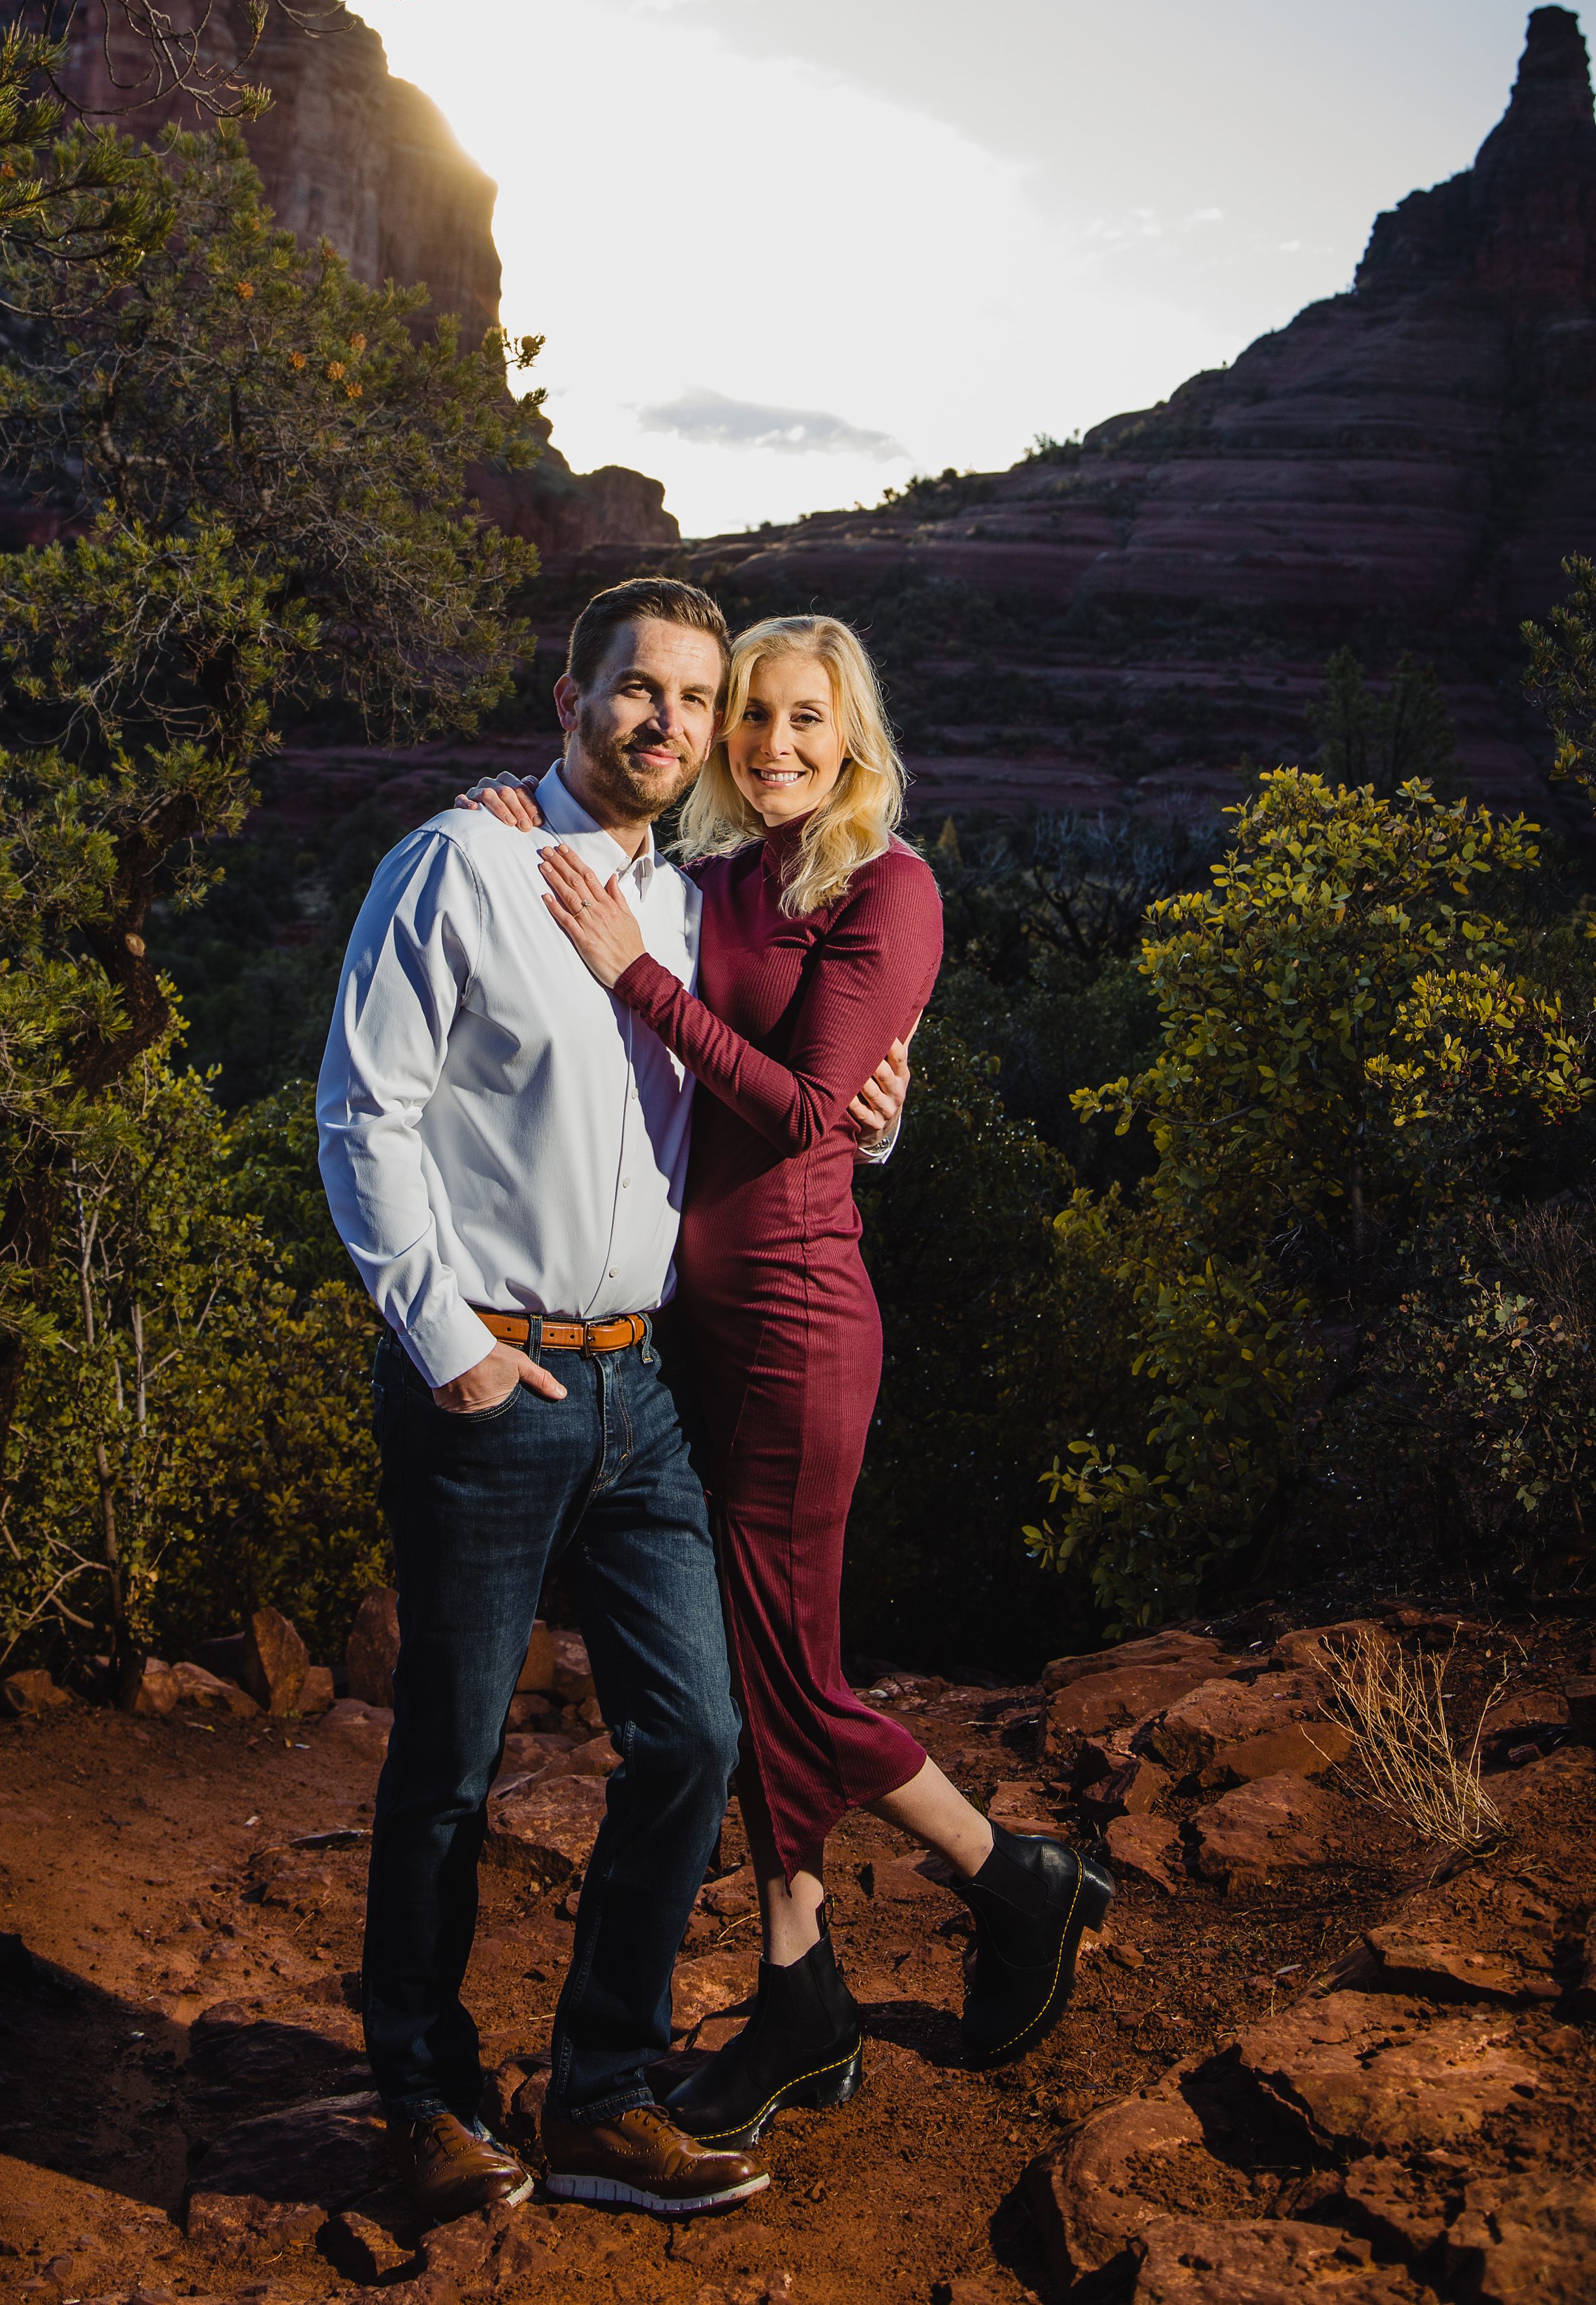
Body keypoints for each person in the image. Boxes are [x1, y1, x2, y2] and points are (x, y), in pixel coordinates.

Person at [458, 612, 1112, 2144]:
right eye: (752, 718)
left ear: (854, 733)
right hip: (702, 1325)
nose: (773, 748)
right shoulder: (715, 882)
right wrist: (515, 817)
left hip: (803, 1324)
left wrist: (639, 984)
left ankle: (1011, 1875)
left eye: (806, 721)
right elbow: (615, 882)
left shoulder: (889, 887)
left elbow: (816, 1111)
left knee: (783, 1679)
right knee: (759, 1670)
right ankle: (803, 1987)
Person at [316, 579, 909, 2227]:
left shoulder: (700, 894)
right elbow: (364, 1112)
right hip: (490, 1374)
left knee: (699, 1736)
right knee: (450, 1754)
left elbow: (783, 1082)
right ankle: (424, 2094)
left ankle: (600, 2091)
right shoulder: (461, 864)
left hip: (639, 1379)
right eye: (638, 690)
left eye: (697, 700)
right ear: (570, 696)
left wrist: (877, 1120)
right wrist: (449, 1347)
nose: (670, 723)